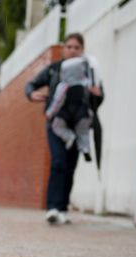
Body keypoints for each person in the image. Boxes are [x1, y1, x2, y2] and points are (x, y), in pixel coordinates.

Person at [26, 32, 104, 225]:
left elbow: (99, 99)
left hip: (78, 126)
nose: (72, 50)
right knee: (58, 162)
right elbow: (31, 84)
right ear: (63, 49)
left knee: (70, 167)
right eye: (69, 47)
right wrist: (31, 93)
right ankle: (52, 207)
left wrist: (97, 94)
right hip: (55, 124)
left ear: (82, 50)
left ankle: (62, 209)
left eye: (76, 47)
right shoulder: (54, 70)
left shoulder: (89, 71)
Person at [46, 55, 100, 160]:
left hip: (66, 112)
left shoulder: (63, 86)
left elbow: (58, 101)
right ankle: (85, 148)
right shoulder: (86, 83)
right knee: (83, 131)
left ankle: (70, 137)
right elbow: (93, 95)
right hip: (83, 113)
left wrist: (50, 112)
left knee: (57, 126)